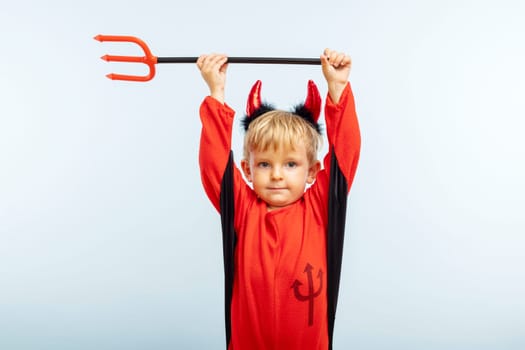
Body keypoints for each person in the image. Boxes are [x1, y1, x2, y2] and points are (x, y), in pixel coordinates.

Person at [196, 49, 361, 350]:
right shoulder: (242, 209)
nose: (276, 175)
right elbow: (214, 165)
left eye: (290, 164)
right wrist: (216, 93)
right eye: (264, 164)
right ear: (247, 169)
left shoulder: (319, 207)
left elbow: (344, 156)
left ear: (312, 171)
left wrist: (337, 90)